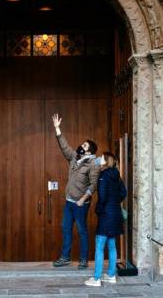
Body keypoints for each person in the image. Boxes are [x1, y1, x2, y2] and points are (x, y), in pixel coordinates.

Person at [52, 114, 99, 269]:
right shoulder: (74, 157)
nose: (81, 146)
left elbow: (93, 185)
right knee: (66, 229)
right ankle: (65, 257)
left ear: (89, 150)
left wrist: (83, 199)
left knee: (82, 231)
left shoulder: (93, 164)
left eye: (84, 146)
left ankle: (83, 259)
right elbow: (65, 147)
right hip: (69, 201)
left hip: (81, 204)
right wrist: (57, 129)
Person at [85, 152, 127, 287]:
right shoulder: (116, 175)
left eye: (102, 157)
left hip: (106, 215)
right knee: (112, 246)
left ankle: (96, 278)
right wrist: (114, 202)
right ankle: (111, 275)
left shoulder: (103, 176)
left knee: (99, 246)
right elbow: (123, 193)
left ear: (106, 161)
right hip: (115, 213)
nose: (99, 159)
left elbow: (102, 197)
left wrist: (99, 210)